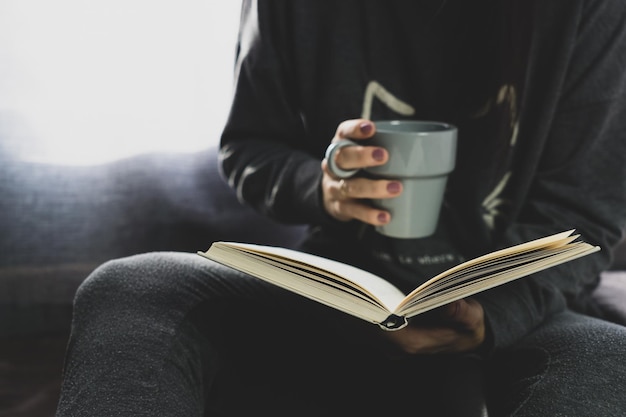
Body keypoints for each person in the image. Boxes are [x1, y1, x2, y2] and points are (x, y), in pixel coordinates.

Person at [56, 1, 626, 416]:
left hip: (518, 304)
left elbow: (588, 211)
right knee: (133, 285)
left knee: (607, 359)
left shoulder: (588, 12)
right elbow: (247, 148)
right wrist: (321, 186)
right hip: (336, 287)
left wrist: (496, 313)